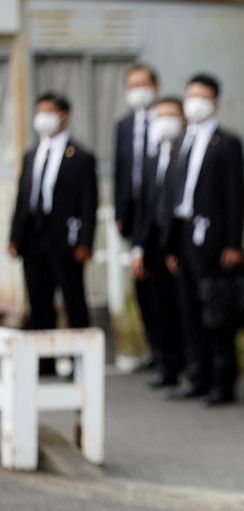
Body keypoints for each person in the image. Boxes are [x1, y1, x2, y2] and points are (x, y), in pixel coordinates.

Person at [165, 73, 244, 406]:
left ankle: (222, 381)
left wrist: (233, 243)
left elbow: (236, 195)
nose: (194, 102)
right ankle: (197, 375)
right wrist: (171, 245)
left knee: (216, 309)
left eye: (201, 96)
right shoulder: (182, 139)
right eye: (190, 96)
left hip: (213, 237)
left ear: (215, 102)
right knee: (188, 309)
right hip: (184, 234)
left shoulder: (227, 142)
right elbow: (173, 193)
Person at [8, 92, 98, 340]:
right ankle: (44, 361)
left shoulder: (80, 157)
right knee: (38, 299)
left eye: (49, 112)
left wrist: (85, 241)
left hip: (65, 239)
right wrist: (15, 236)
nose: (42, 118)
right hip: (34, 237)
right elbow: (23, 198)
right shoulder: (31, 155)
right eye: (40, 113)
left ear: (64, 116)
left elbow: (89, 203)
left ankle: (80, 358)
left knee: (73, 298)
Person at [131, 96, 186, 388]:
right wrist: (138, 247)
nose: (163, 120)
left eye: (170, 114)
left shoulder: (185, 154)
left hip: (176, 245)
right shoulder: (152, 159)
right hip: (153, 246)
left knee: (182, 308)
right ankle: (166, 365)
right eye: (159, 115)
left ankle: (186, 364)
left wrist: (174, 246)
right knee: (159, 306)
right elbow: (145, 208)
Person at [115, 63, 161, 371]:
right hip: (134, 215)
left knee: (163, 288)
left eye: (143, 84)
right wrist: (120, 212)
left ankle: (174, 355)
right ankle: (155, 350)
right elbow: (121, 171)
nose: (138, 90)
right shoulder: (124, 125)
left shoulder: (167, 120)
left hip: (160, 214)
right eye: (132, 85)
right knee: (143, 286)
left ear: (155, 86)